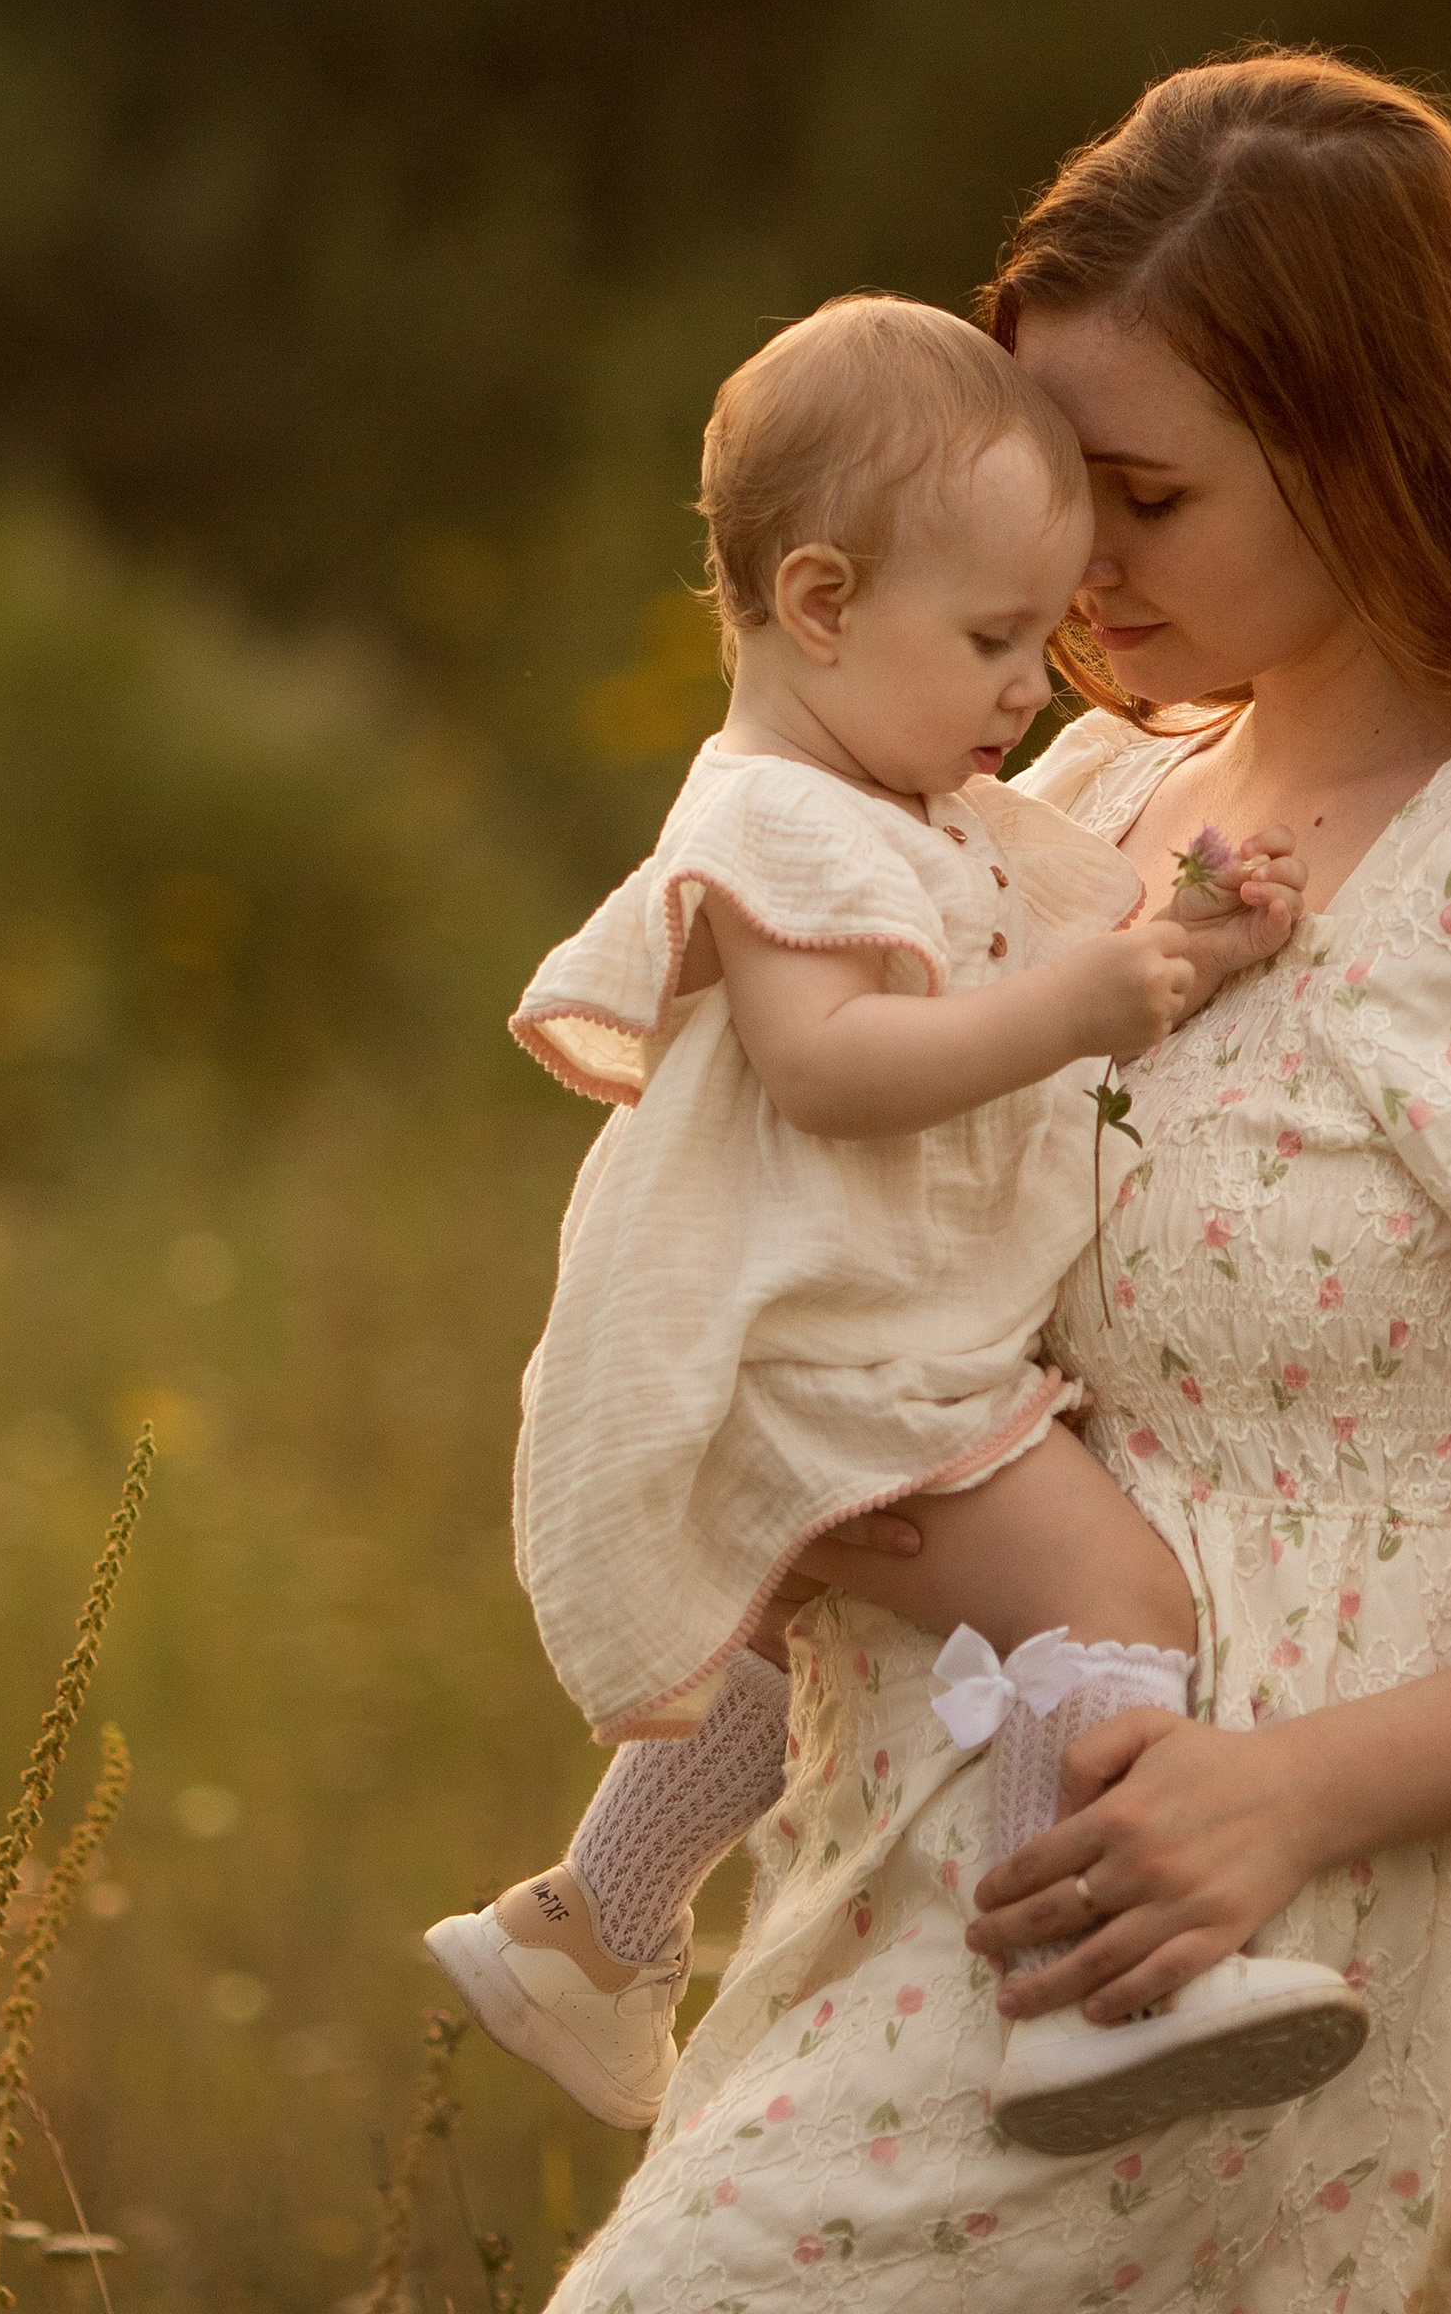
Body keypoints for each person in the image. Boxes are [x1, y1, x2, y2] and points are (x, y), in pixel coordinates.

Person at [544, 53, 1451, 2314]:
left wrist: (1287, 1796)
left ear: (1368, 452)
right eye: (1050, 492)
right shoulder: (1079, 804)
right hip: (914, 1902)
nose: (1068, 566)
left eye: (1142, 496)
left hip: (1272, 1975)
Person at [428, 294, 1367, 2148]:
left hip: (840, 1347)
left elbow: (1039, 919)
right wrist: (1099, 1005)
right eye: (998, 636)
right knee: (1111, 1597)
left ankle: (592, 1936)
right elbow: (836, 1062)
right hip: (834, 1368)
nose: (1039, 685)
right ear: (824, 604)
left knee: (792, 1656)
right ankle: (1081, 1991)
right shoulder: (777, 822)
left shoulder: (891, 793)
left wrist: (1182, 917)